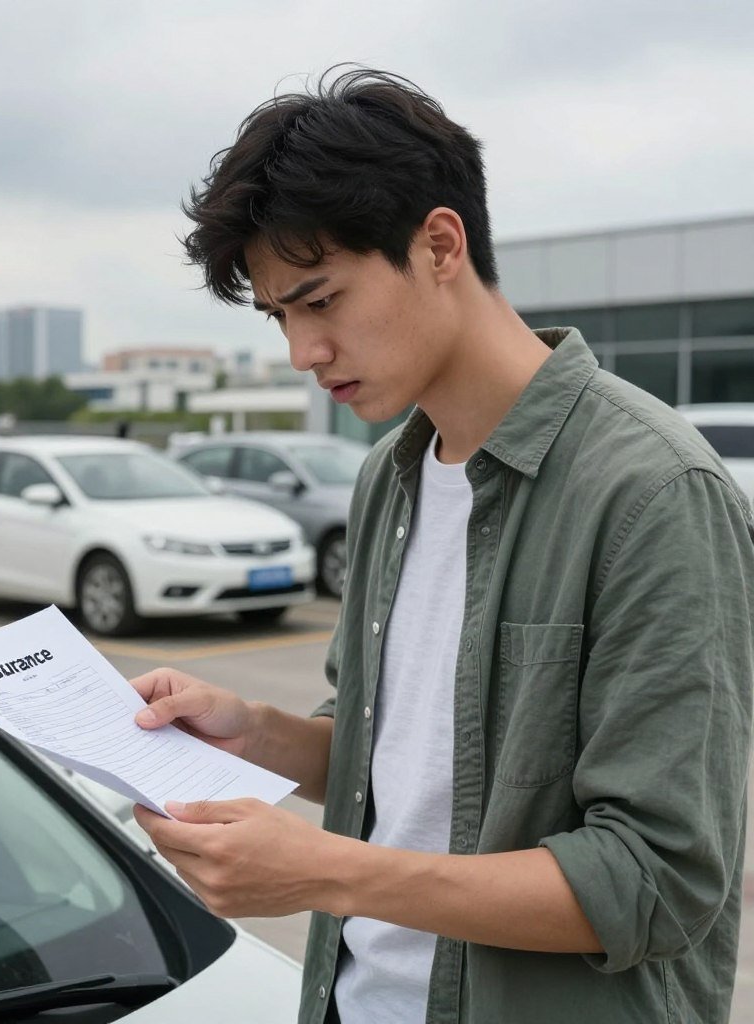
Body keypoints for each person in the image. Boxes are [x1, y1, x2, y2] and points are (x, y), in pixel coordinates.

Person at [129, 68, 754, 1024]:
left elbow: (655, 881)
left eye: (322, 300)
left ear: (439, 245)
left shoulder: (654, 492)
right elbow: (387, 755)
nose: (303, 352)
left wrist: (329, 873)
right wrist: (252, 731)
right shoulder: (393, 475)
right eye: (281, 316)